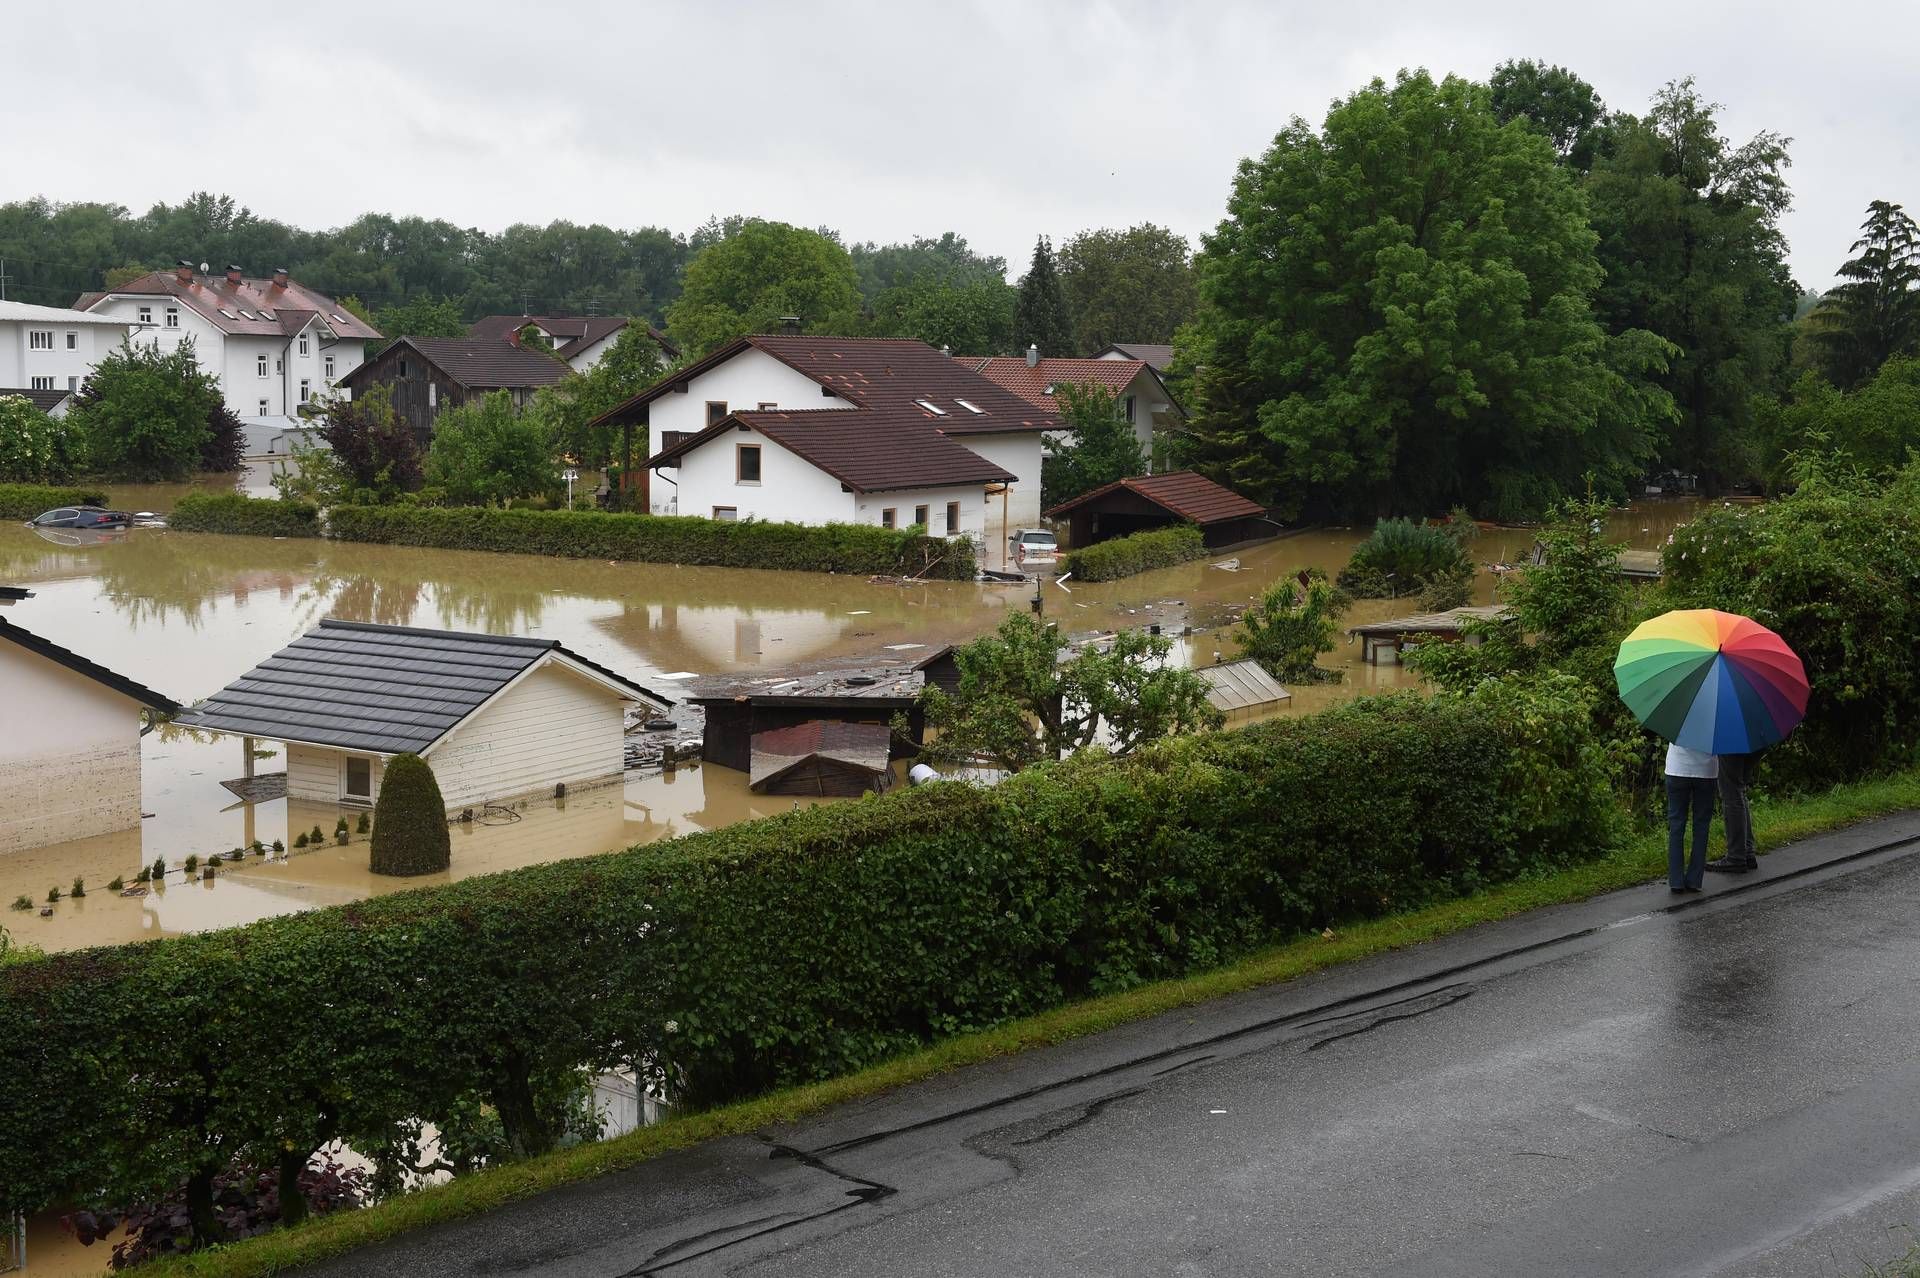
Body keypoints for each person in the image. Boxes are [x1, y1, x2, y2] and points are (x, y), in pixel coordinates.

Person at [1664, 742, 1718, 893]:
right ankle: (1694, 880)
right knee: (1701, 825)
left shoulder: (1676, 716)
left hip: (1677, 767)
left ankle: (1676, 880)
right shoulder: (1716, 717)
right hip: (1707, 770)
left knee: (1676, 824)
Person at [1707, 752, 1760, 874]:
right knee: (1739, 789)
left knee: (1731, 793)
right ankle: (1746, 851)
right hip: (1755, 740)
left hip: (1732, 745)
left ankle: (1736, 856)